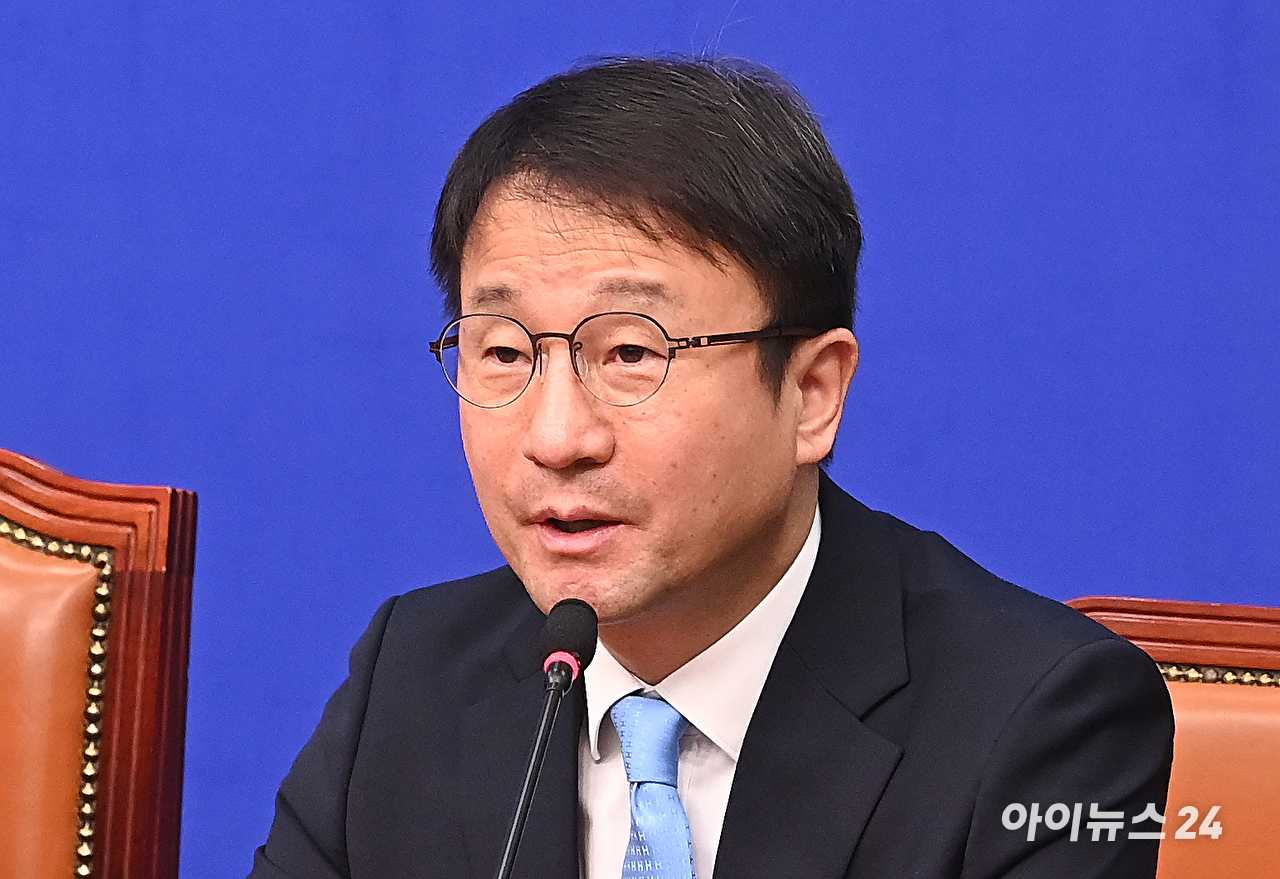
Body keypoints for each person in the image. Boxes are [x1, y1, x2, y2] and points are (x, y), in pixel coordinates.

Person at [247, 57, 1173, 879]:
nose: (557, 436)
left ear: (812, 393)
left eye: (631, 353)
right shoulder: (409, 675)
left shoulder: (1039, 717)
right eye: (504, 351)